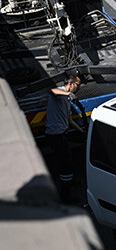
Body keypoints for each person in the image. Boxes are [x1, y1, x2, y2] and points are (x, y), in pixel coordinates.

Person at [45, 72, 83, 202]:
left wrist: (82, 131)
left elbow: (69, 120)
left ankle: (68, 184)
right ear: (71, 84)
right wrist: (68, 94)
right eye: (78, 85)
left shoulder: (67, 100)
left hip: (62, 134)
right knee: (66, 164)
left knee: (67, 161)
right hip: (55, 136)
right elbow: (52, 91)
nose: (79, 87)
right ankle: (64, 196)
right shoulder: (60, 93)